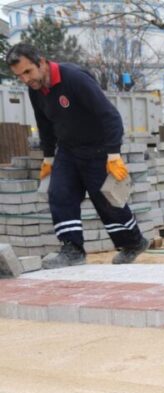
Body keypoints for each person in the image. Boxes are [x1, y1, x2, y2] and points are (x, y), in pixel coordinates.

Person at [5, 43, 149, 268]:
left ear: (41, 62)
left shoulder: (74, 79)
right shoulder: (35, 90)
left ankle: (134, 242)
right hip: (68, 150)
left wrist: (113, 154)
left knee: (106, 200)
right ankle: (72, 250)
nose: (25, 79)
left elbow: (110, 116)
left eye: (28, 72)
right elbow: (44, 124)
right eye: (19, 76)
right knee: (60, 193)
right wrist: (48, 156)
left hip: (98, 148)